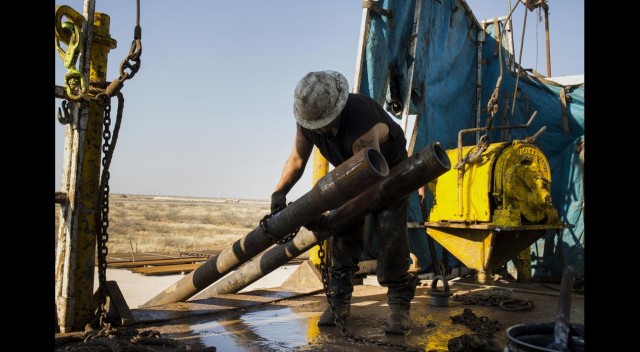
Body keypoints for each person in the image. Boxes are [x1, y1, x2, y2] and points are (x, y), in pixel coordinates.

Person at [270, 70, 418, 335]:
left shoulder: (363, 126)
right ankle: (339, 302)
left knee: (389, 229)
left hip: (388, 168)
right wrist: (279, 193)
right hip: (353, 169)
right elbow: (297, 160)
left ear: (337, 109)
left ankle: (398, 305)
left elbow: (370, 192)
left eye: (323, 124)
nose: (319, 130)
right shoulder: (308, 121)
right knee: (343, 234)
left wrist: (330, 219)